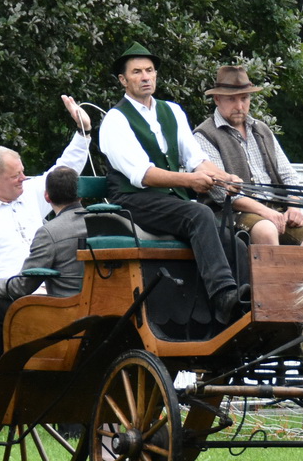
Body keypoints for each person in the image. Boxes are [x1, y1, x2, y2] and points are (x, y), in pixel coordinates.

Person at [97, 43, 249, 320]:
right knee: (199, 213)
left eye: (150, 70)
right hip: (133, 200)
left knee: (235, 243)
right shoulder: (115, 121)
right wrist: (191, 181)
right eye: (137, 72)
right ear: (123, 80)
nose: (145, 77)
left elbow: (196, 159)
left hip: (168, 199)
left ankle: (249, 302)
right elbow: (144, 175)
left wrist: (224, 178)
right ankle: (223, 296)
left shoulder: (172, 111)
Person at [0, 96, 92, 300]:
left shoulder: (28, 191)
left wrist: (84, 131)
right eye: (16, 175)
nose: (23, 178)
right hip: (10, 295)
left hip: (54, 289)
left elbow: (62, 170)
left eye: (22, 172)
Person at [192, 65, 303, 249]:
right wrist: (266, 212)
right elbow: (222, 193)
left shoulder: (262, 129)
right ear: (217, 99)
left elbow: (289, 176)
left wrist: (294, 207)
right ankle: (272, 278)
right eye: (232, 99)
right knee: (266, 230)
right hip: (230, 213)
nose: (239, 106)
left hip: (277, 209)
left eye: (244, 98)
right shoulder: (204, 134)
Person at [0, 166, 87, 377]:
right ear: (80, 194)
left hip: (65, 314)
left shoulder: (49, 232)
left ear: (47, 196)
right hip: (102, 311)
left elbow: (22, 286)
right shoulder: (108, 223)